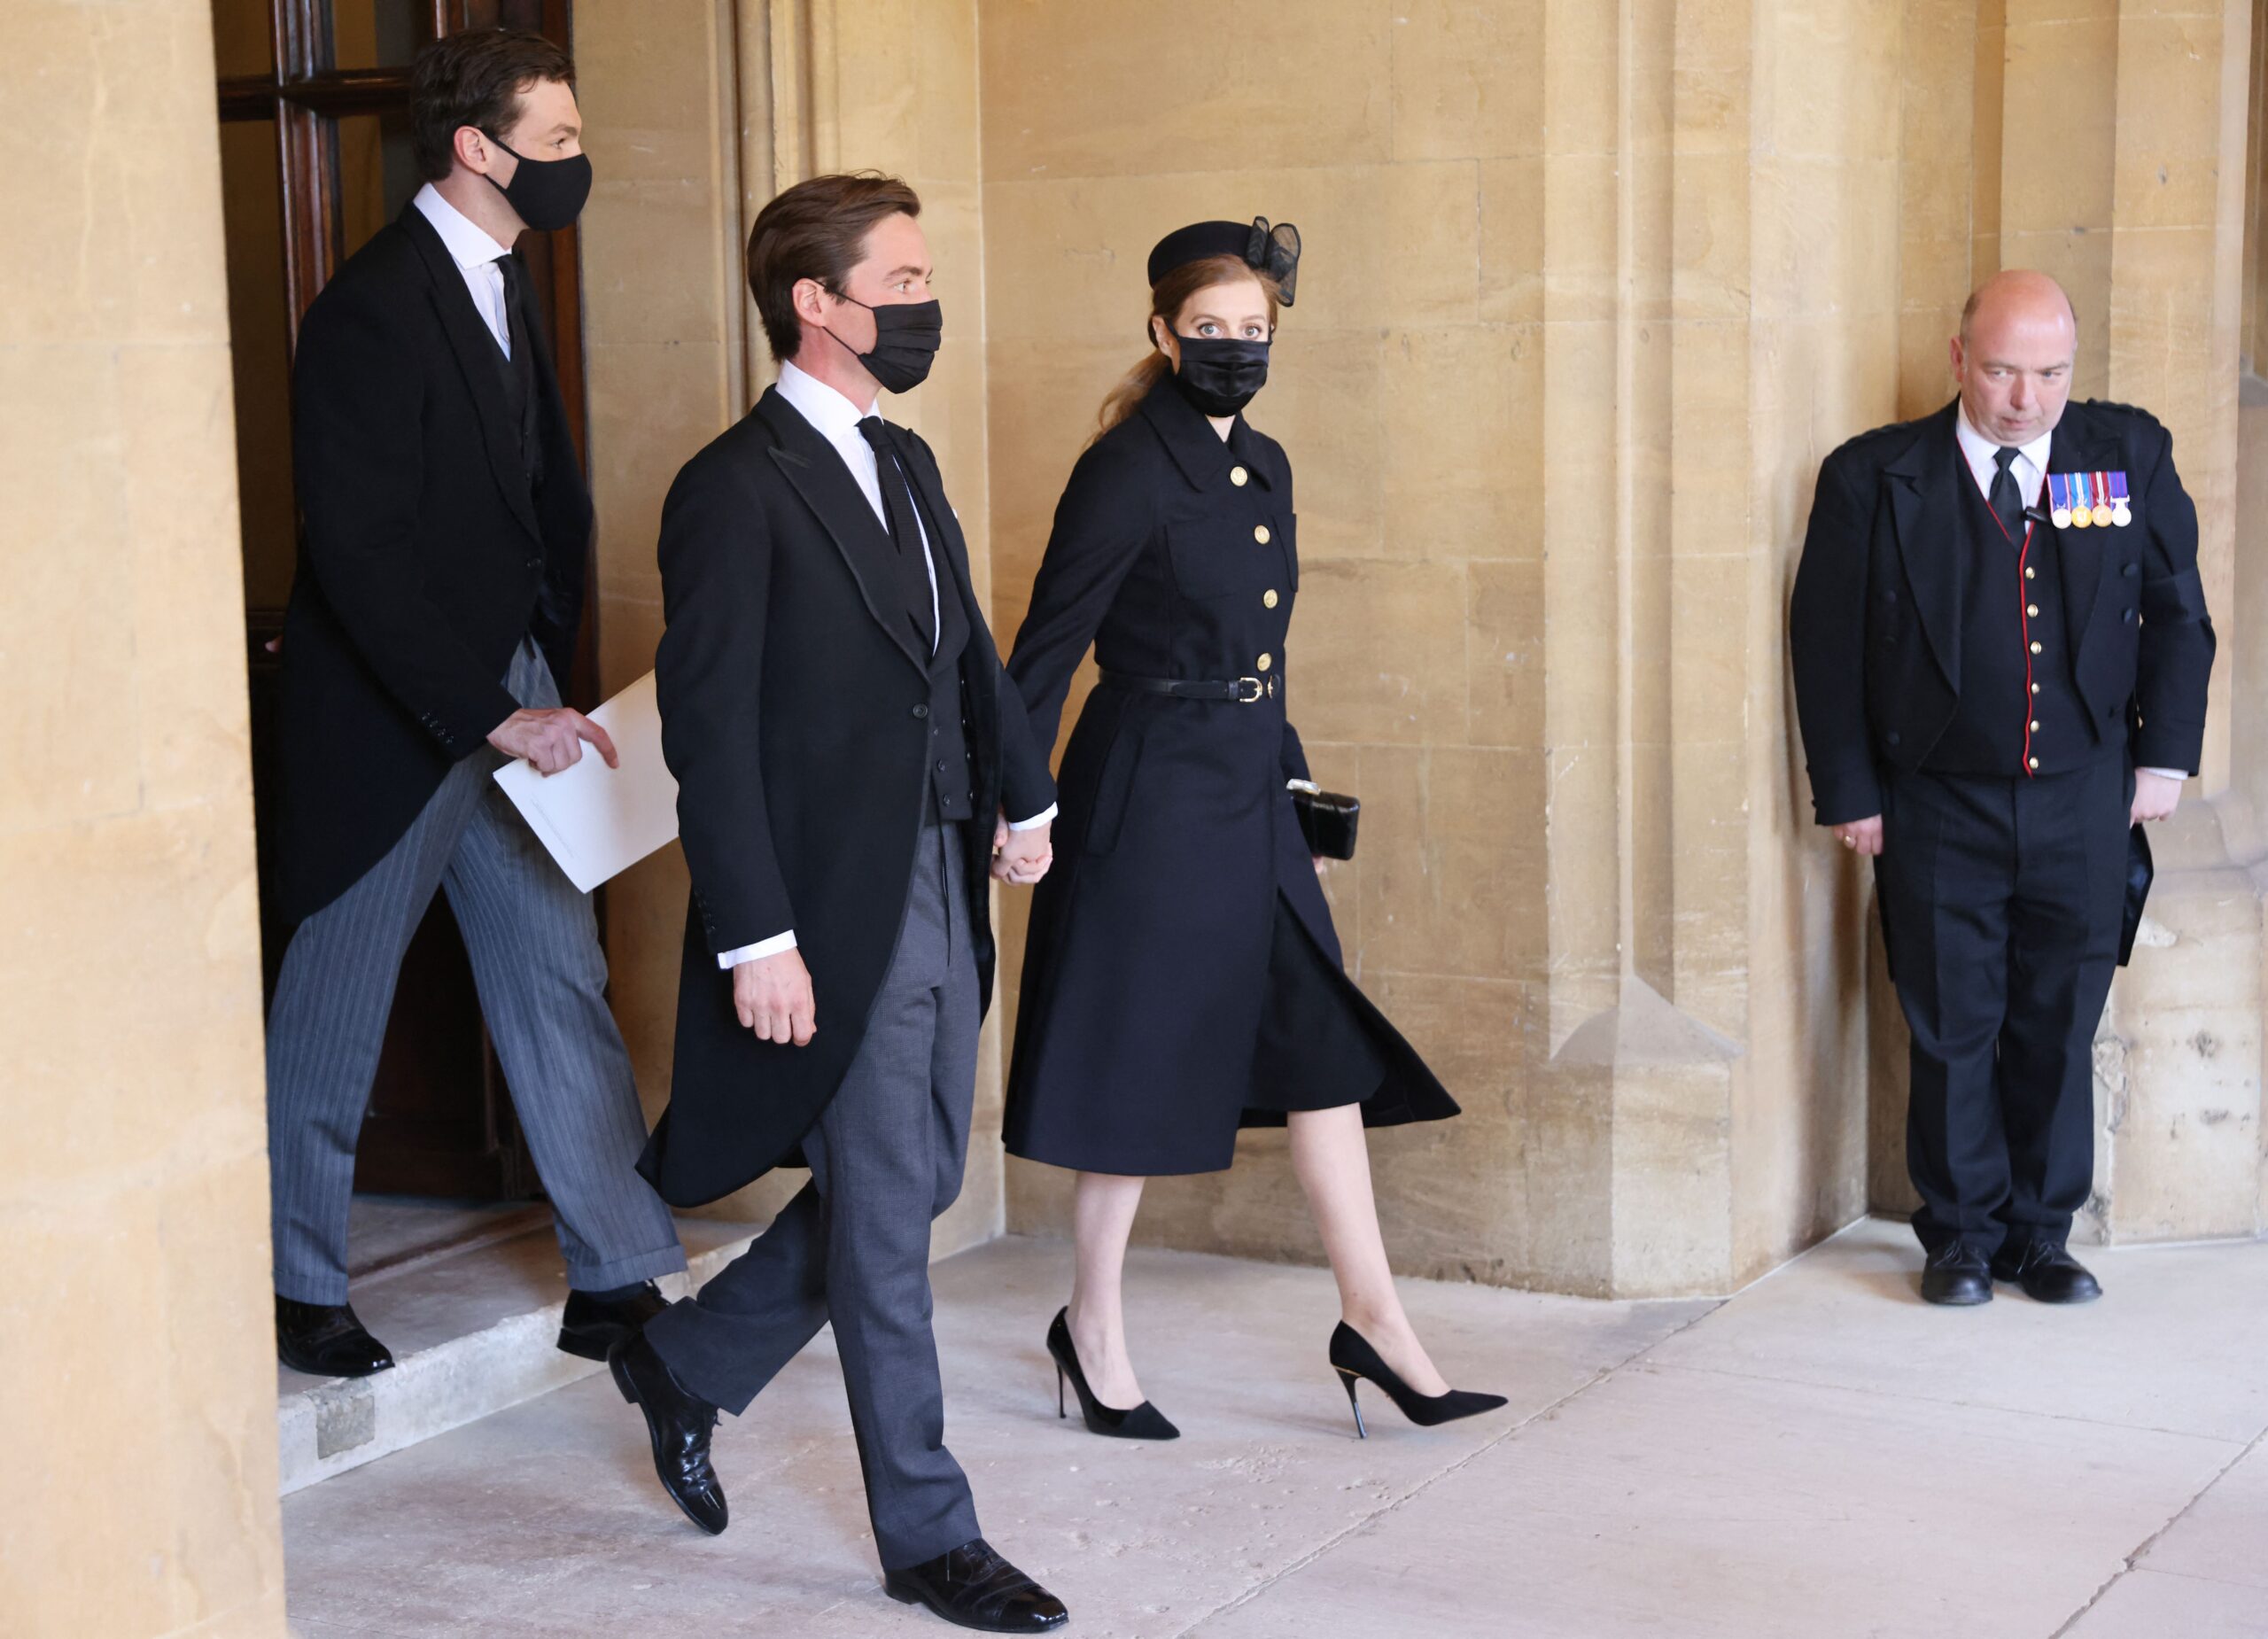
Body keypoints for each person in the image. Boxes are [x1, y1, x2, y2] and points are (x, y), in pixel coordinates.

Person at [608, 173, 1068, 1635]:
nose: (928, 307)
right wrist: (756, 932)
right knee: (885, 1225)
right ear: (818, 304)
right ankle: (930, 1536)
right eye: (907, 281)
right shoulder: (732, 488)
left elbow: (966, 655)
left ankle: (684, 1362)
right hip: (823, 904)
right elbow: (712, 730)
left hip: (941, 868)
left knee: (921, 1176)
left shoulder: (908, 459)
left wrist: (1023, 788)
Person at [1001, 219, 1506, 1442]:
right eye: (1211, 331)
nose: (1234, 349)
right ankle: (1094, 1328)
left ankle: (1376, 1320)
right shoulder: (1125, 469)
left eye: (1254, 332)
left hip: (1246, 790)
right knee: (1131, 1057)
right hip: (1151, 790)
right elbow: (1045, 651)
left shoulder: (1265, 463)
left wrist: (1292, 774)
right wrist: (1021, 803)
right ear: (1163, 334)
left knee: (1321, 1046)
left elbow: (1260, 652)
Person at [267, 27, 686, 1379]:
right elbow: (357, 549)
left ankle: (616, 1274)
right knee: (335, 997)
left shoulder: (506, 280)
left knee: (555, 971)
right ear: (475, 146)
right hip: (392, 710)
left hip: (505, 682)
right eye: (556, 142)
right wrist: (485, 707)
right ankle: (295, 1284)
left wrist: (536, 678)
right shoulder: (368, 309)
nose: (576, 164)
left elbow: (530, 503)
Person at [1790, 270, 2215, 1307]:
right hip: (1935, 799)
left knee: (2056, 1022)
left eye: (2050, 372)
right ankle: (1961, 1237)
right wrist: (1851, 790)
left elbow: (2176, 613)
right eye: (2001, 370)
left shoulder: (2124, 456)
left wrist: (2162, 760)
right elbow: (1824, 643)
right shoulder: (1873, 476)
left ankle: (2042, 1234)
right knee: (1948, 1024)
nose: (2026, 397)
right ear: (1956, 357)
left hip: (2084, 795)